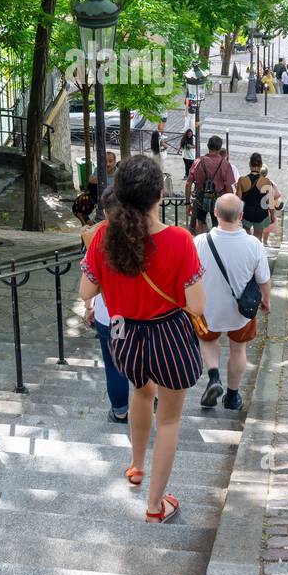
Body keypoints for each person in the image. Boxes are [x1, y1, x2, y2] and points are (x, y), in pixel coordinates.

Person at [78, 154, 206, 523]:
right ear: (159, 195)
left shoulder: (103, 235)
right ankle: (154, 504)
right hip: (169, 337)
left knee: (139, 391)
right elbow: (195, 304)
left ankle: (136, 466)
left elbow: (86, 290)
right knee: (168, 420)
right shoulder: (180, 241)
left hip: (124, 337)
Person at [195, 193, 271, 411]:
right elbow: (263, 280)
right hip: (241, 310)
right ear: (241, 215)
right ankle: (232, 396)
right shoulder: (253, 245)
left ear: (216, 213)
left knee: (209, 342)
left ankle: (213, 377)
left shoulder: (199, 242)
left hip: (206, 308)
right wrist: (266, 300)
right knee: (238, 349)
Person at [81, 191, 129, 424]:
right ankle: (152, 399)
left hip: (110, 314)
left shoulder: (100, 236)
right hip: (144, 313)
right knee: (146, 360)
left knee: (115, 364)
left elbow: (86, 289)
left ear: (105, 211)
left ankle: (120, 410)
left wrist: (89, 305)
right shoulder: (147, 232)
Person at [186, 134, 236, 233]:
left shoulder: (198, 162)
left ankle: (200, 244)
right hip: (218, 200)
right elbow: (229, 188)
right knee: (218, 226)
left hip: (200, 197)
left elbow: (188, 184)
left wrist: (188, 203)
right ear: (219, 148)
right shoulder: (225, 164)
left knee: (199, 224)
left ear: (208, 146)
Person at [236, 154, 282, 243]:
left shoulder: (242, 180)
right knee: (258, 238)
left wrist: (236, 216)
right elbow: (270, 201)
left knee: (246, 235)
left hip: (246, 213)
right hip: (261, 214)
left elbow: (238, 200)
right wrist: (272, 216)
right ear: (261, 165)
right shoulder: (266, 181)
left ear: (250, 164)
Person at [72, 150, 118, 226]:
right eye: (105, 161)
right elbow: (91, 180)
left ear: (115, 162)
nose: (108, 164)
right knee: (78, 203)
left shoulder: (119, 174)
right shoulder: (99, 170)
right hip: (97, 197)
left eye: (110, 161)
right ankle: (86, 225)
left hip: (112, 201)